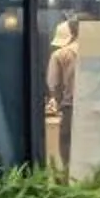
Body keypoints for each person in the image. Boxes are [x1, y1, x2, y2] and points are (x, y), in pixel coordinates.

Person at [44, 20, 78, 171]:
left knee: (67, 144)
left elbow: (54, 84)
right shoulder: (96, 52)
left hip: (70, 107)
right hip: (96, 106)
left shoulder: (60, 55)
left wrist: (56, 101)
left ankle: (69, 176)